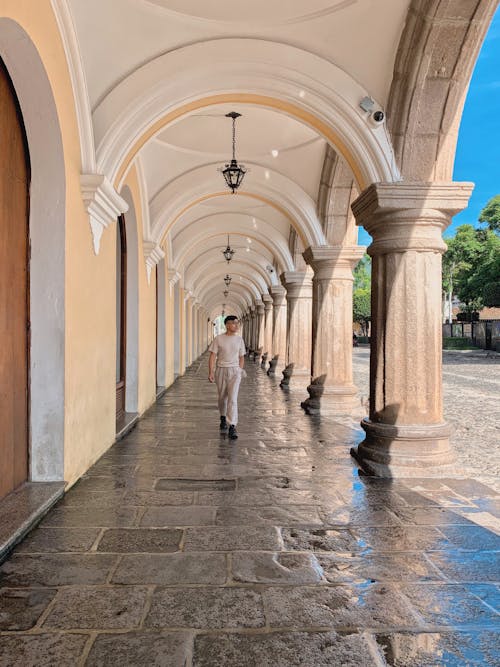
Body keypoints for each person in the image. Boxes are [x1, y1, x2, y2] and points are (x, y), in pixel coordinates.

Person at [208, 315, 246, 440]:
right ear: (227, 324)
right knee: (222, 397)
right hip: (221, 370)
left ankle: (232, 426)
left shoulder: (239, 340)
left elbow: (241, 357)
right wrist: (211, 372)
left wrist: (239, 370)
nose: (236, 325)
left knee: (233, 398)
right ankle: (223, 417)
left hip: (235, 371)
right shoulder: (219, 339)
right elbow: (213, 356)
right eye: (234, 323)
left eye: (237, 323)